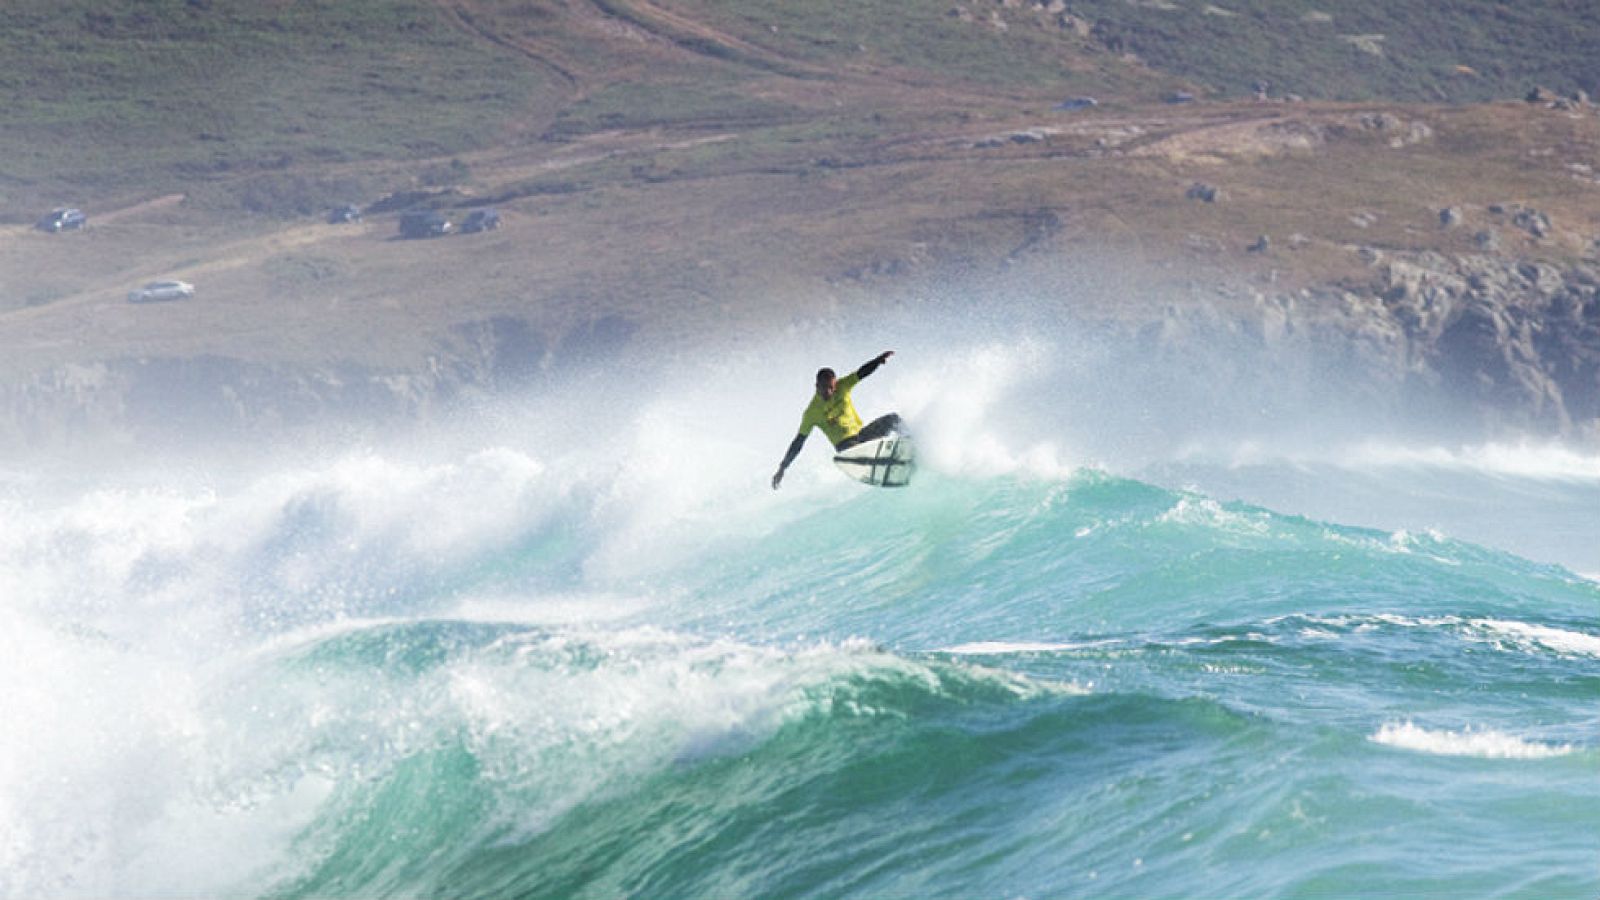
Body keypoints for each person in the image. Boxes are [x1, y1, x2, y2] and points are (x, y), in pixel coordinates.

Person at [771, 351, 903, 490]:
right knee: (855, 448)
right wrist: (782, 468)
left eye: (831, 387)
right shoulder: (812, 412)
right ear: (816, 386)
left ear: (835, 384)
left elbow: (861, 373)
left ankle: (911, 442)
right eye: (824, 387)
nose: (828, 392)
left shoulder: (843, 386)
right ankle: (876, 464)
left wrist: (877, 361)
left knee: (893, 419)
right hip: (846, 446)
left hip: (862, 435)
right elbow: (798, 442)